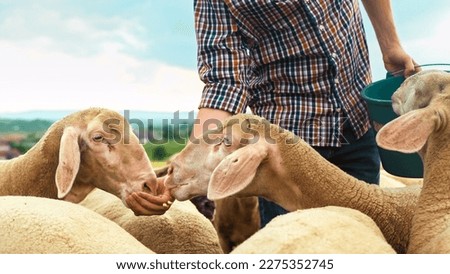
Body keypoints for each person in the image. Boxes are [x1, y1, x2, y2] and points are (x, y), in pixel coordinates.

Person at [127, 0, 418, 222]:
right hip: (286, 155)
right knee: (293, 251)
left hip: (355, 122)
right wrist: (183, 173)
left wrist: (390, 45)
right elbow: (225, 81)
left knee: (362, 243)